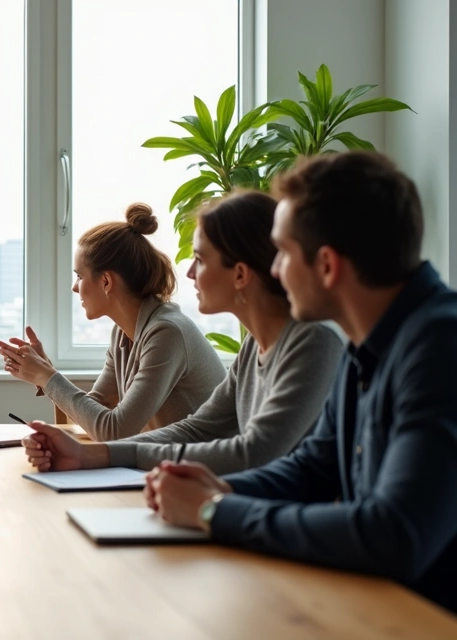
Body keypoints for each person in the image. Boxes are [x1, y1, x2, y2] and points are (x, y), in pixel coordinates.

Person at [146, 152, 457, 613]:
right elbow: (313, 468)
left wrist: (215, 511)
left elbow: (395, 535)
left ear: (327, 265)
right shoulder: (366, 345)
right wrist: (217, 489)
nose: (272, 271)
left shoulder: (440, 346)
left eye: (284, 255)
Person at [22, 192, 344, 474]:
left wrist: (97, 450)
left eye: (200, 260)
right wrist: (89, 453)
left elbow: (253, 453)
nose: (189, 272)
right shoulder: (253, 349)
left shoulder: (313, 342)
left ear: (241, 274)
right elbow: (196, 429)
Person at [0, 203, 225, 441]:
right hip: (170, 465)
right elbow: (94, 412)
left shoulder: (167, 333)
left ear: (106, 282)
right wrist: (47, 376)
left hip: (211, 472)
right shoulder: (123, 334)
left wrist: (47, 377)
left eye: (79, 276)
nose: (75, 287)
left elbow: (114, 430)